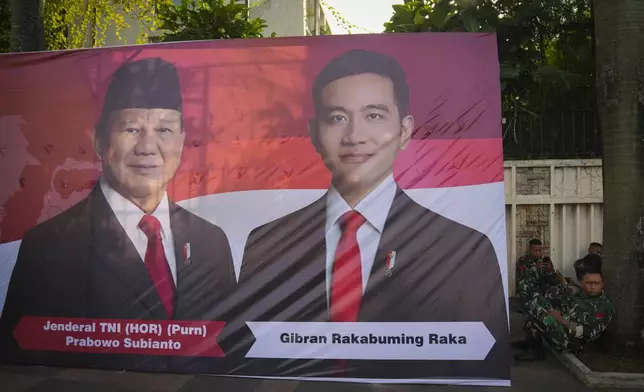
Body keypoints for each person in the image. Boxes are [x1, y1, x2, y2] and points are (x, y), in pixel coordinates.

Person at [228, 49, 510, 380]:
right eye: (337, 118)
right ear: (315, 133)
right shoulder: (267, 243)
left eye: (374, 116)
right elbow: (249, 361)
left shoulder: (464, 250)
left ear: (404, 131)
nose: (354, 137)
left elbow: (478, 370)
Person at [0, 58, 236, 373]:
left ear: (181, 141)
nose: (147, 147)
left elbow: (232, 348)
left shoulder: (211, 242)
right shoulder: (51, 244)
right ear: (100, 141)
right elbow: (23, 359)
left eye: (164, 129)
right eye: (132, 129)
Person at [514, 264, 614, 362]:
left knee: (537, 311)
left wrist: (561, 320)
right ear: (583, 283)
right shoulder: (582, 295)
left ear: (602, 284)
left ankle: (536, 352)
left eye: (596, 283)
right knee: (536, 298)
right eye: (589, 283)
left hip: (572, 341)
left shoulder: (604, 307)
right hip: (562, 325)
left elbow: (589, 333)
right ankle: (531, 341)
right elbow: (566, 305)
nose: (592, 286)